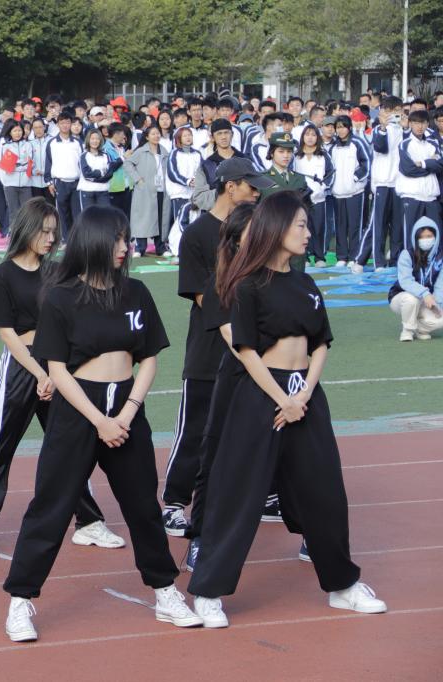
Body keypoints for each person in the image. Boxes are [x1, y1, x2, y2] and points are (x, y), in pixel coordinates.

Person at [2, 206, 203, 643]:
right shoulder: (60, 296)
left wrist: (126, 413)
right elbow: (57, 370)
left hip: (126, 409)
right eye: (117, 239)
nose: (125, 247)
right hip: (78, 411)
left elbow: (149, 359)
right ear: (93, 241)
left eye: (126, 239)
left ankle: (165, 592)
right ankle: (20, 599)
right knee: (51, 506)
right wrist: (98, 420)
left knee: (143, 507)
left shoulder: (136, 292)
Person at [187, 191, 387, 628]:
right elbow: (246, 351)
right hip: (263, 395)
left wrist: (304, 395)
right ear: (276, 228)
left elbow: (321, 344)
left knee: (325, 492)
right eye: (300, 225)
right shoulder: (248, 284)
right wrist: (282, 400)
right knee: (238, 493)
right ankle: (208, 590)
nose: (307, 233)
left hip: (305, 395)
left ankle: (342, 585)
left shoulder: (305, 284)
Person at [0, 198, 123, 560]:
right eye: (44, 232)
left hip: (59, 365)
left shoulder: (58, 272)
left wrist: (55, 370)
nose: (50, 239)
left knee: (71, 446)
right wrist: (39, 373)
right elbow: (7, 333)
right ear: (27, 229)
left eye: (54, 232)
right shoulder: (2, 276)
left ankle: (88, 522)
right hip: (22, 368)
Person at [162, 158, 271, 537]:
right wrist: (235, 330)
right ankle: (175, 502)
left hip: (254, 347)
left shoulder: (258, 231)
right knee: (196, 429)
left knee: (257, 424)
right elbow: (202, 297)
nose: (256, 192)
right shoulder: (197, 235)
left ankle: (267, 493)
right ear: (230, 186)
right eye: (251, 186)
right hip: (209, 350)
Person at [184, 203, 256, 571]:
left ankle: (315, 533)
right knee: (211, 459)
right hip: (240, 379)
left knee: (298, 462)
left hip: (279, 382)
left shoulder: (281, 279)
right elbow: (236, 341)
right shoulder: (220, 285)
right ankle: (200, 538)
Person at [361, 97, 404, 269]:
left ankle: (395, 261)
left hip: (399, 184)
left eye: (398, 110)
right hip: (382, 183)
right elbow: (380, 147)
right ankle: (378, 262)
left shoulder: (404, 129)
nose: (394, 114)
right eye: (390, 111)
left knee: (397, 226)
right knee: (378, 225)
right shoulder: (377, 130)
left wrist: (406, 127)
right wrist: (383, 127)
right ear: (383, 112)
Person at [388, 216, 443, 341]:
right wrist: (424, 293)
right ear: (415, 238)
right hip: (402, 297)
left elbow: (440, 285)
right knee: (412, 299)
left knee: (440, 319)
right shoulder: (406, 254)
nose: (425, 240)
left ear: (436, 237)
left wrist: (438, 305)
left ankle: (420, 328)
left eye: (429, 236)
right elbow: (406, 281)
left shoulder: (440, 256)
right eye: (421, 237)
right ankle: (407, 330)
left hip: (428, 300)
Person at [327, 115, 371, 268]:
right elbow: (329, 168)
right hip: (337, 192)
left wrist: (355, 177)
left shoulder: (357, 143)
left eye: (343, 127)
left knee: (355, 225)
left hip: (355, 192)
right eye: (338, 127)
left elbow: (367, 163)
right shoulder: (333, 147)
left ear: (349, 128)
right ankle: (341, 256)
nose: (340, 130)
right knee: (340, 226)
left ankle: (354, 256)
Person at [396, 109, 443, 247]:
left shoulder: (433, 144)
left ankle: (436, 261)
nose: (420, 126)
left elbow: (440, 165)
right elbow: (408, 169)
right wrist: (430, 165)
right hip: (412, 196)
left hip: (431, 197)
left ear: (428, 124)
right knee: (411, 234)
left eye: (423, 123)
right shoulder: (405, 144)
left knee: (436, 235)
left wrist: (422, 163)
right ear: (410, 124)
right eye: (416, 123)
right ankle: (410, 260)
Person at [126, 125, 172, 257]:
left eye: (158, 133)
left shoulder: (164, 151)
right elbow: (128, 163)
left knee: (161, 218)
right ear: (147, 137)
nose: (156, 136)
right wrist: (138, 179)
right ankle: (140, 248)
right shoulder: (141, 151)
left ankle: (160, 247)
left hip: (161, 189)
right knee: (143, 218)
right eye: (153, 134)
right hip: (145, 190)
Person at [294, 125, 335, 267]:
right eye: (307, 135)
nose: (310, 138)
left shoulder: (323, 155)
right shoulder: (296, 156)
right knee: (301, 227)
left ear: (317, 137)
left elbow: (330, 173)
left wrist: (322, 188)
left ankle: (319, 257)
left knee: (319, 228)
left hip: (319, 198)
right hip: (301, 200)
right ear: (302, 137)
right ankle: (304, 257)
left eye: (313, 135)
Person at [44, 112, 83, 241]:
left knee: (77, 212)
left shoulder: (78, 142)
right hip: (59, 182)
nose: (65, 125)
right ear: (58, 125)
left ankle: (77, 239)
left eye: (67, 122)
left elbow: (82, 162)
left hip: (76, 182)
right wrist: (49, 182)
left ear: (71, 124)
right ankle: (65, 238)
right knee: (62, 212)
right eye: (62, 123)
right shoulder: (52, 143)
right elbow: (48, 162)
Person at [192, 118, 245, 213]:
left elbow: (254, 190)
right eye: (219, 133)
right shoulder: (207, 165)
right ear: (212, 137)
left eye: (226, 133)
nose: (223, 137)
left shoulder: (245, 161)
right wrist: (222, 194)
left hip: (241, 214)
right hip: (216, 215)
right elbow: (199, 197)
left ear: (232, 135)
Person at [166, 127, 202, 257]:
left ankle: (193, 250)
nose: (188, 137)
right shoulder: (174, 154)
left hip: (195, 194)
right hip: (179, 193)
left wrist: (198, 182)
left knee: (195, 221)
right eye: (185, 135)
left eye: (190, 135)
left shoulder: (197, 154)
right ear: (179, 139)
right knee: (180, 222)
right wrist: (187, 181)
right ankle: (178, 250)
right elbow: (172, 173)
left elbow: (202, 171)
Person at [0, 119, 34, 220]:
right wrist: (21, 164)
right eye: (15, 131)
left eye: (19, 130)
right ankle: (13, 229)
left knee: (27, 211)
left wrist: (16, 164)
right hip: (10, 183)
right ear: (10, 132)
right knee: (13, 211)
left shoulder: (28, 145)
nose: (18, 133)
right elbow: (5, 166)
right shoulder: (5, 146)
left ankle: (26, 230)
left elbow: (30, 163)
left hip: (26, 183)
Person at [76, 128, 118, 213]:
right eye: (92, 138)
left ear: (100, 140)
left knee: (105, 217)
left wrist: (97, 175)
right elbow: (87, 174)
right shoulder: (84, 156)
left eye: (97, 139)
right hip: (87, 191)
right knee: (88, 218)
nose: (95, 141)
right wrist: (102, 172)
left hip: (103, 191)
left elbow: (109, 173)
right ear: (88, 140)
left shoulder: (105, 155)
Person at [259, 132, 309, 199]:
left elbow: (307, 204)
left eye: (289, 151)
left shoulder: (300, 178)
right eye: (281, 151)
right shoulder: (262, 179)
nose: (286, 155)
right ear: (271, 153)